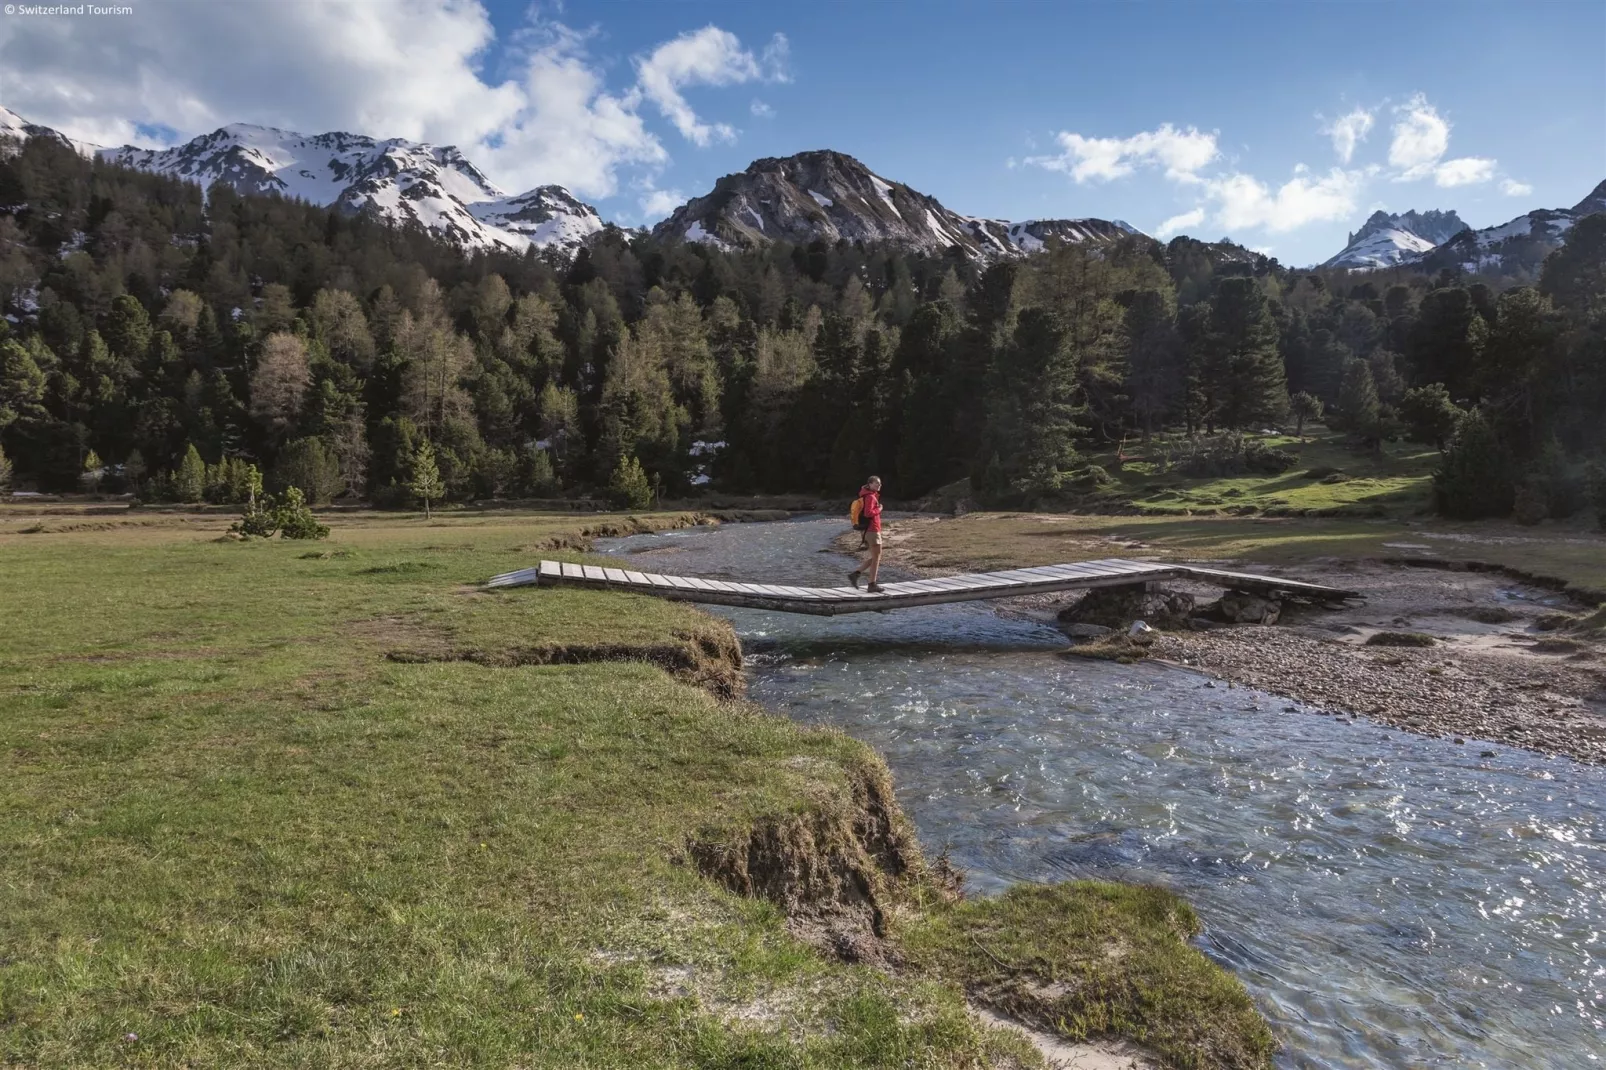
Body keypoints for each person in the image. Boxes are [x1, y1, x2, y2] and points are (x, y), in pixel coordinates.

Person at [848, 475, 885, 593]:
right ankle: (871, 584)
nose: (878, 486)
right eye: (876, 484)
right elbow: (869, 513)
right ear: (869, 484)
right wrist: (879, 509)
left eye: (879, 484)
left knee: (876, 557)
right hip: (872, 530)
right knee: (877, 556)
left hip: (869, 530)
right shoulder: (870, 497)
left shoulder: (868, 495)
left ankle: (856, 574)